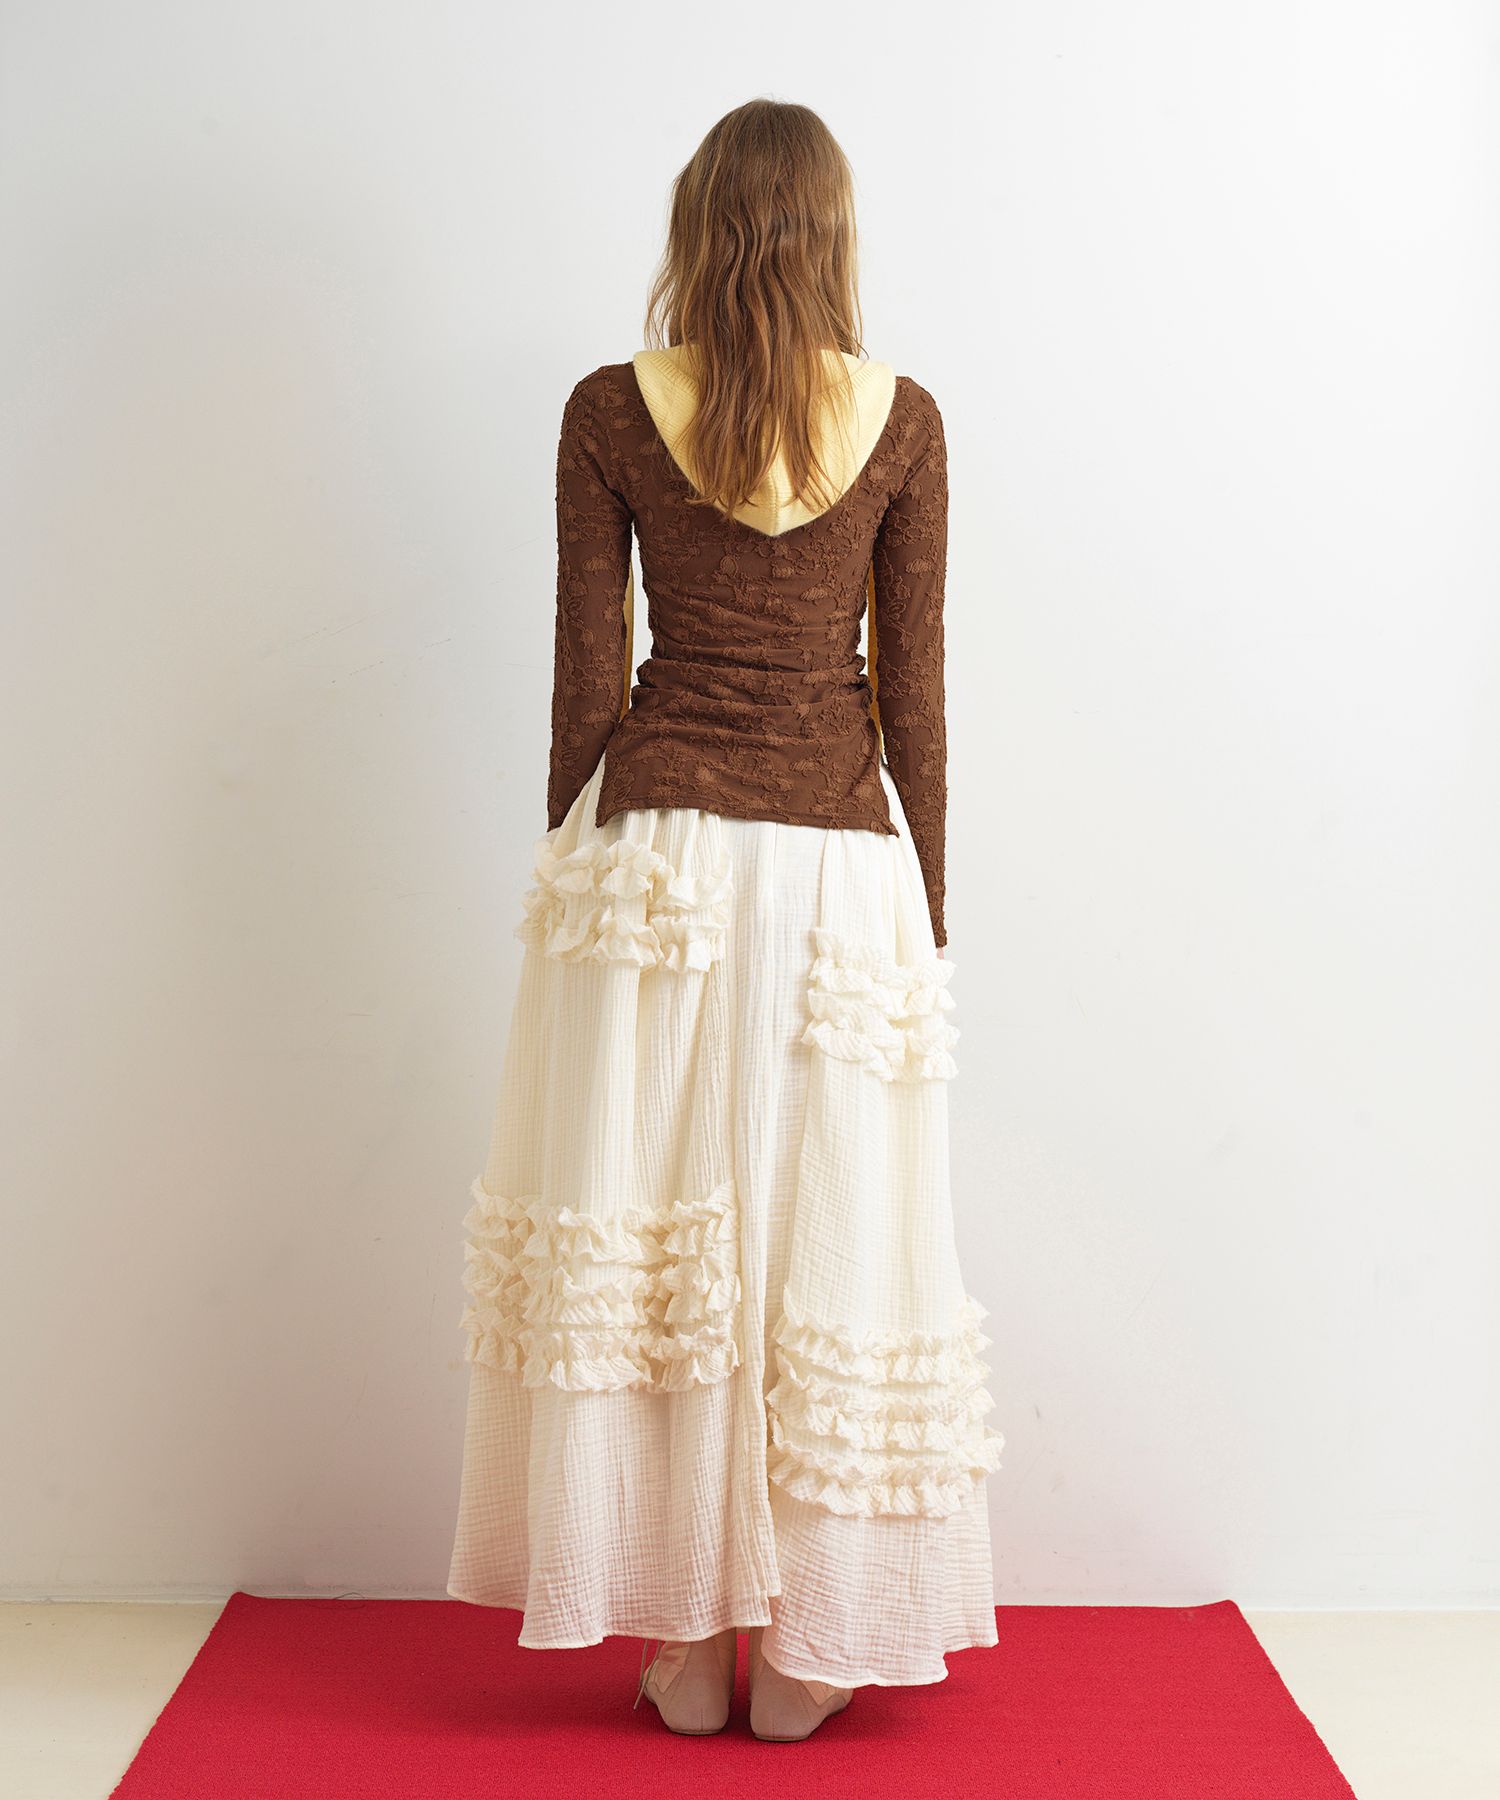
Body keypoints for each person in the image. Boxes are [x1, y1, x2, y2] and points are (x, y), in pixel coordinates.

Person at [446, 97, 1003, 1743]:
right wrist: (930, 902)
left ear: (697, 228)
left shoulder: (611, 409)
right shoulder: (904, 422)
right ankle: (815, 1654)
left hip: (660, 867)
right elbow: (914, 691)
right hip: (838, 867)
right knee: (834, 1242)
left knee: (655, 1234)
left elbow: (586, 673)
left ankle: (684, 1645)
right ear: (832, 236)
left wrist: (573, 849)